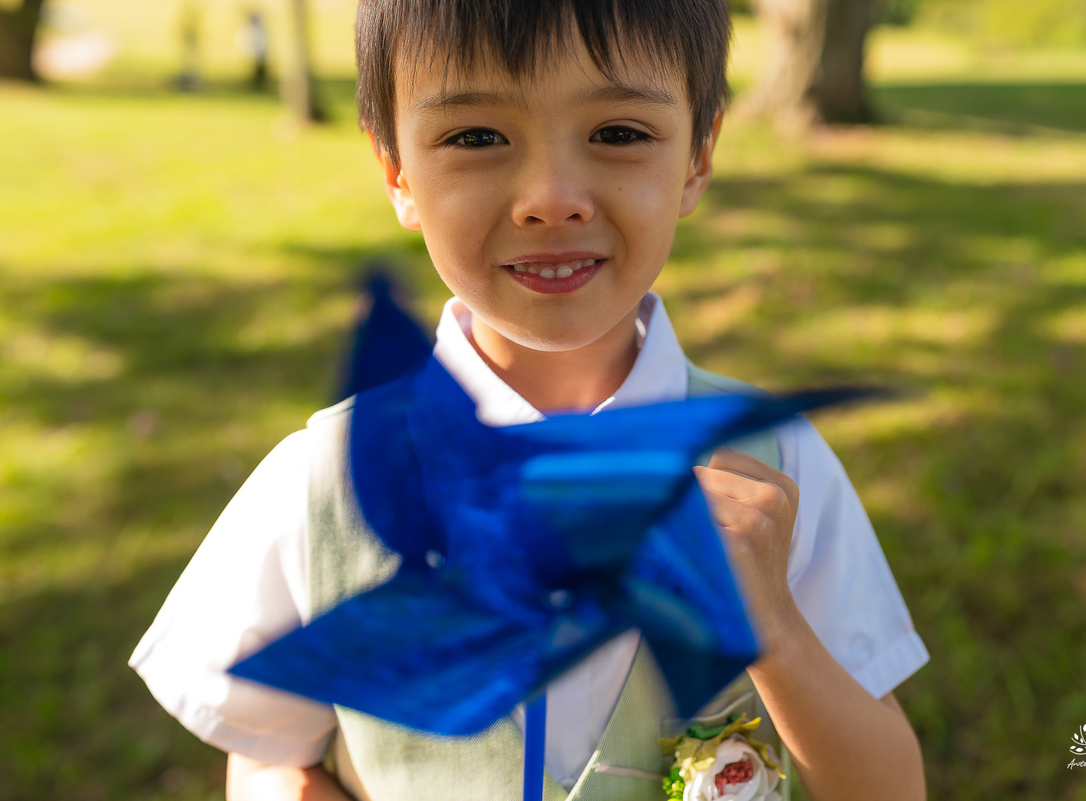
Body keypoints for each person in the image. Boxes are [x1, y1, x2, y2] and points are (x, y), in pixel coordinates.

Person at [130, 1, 931, 799]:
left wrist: (776, 634)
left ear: (697, 155)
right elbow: (270, 758)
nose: (551, 197)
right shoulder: (323, 483)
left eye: (618, 132)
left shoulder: (777, 467)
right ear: (397, 172)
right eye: (477, 137)